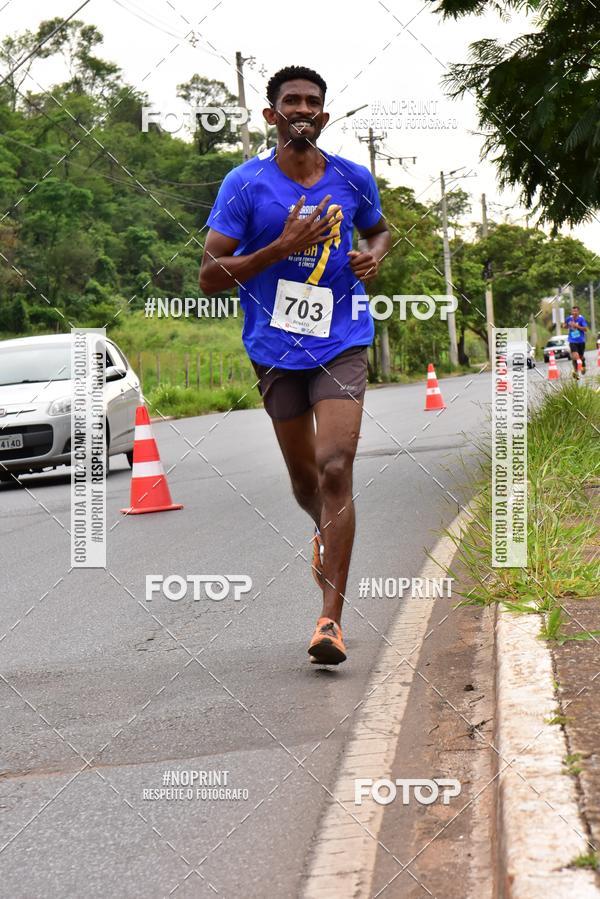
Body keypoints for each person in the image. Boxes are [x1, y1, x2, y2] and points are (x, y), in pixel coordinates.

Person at [199, 65, 390, 665]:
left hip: (342, 340)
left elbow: (380, 231)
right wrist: (280, 247)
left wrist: (371, 256)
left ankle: (329, 620)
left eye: (312, 102)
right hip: (274, 349)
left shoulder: (352, 178)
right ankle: (322, 531)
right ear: (271, 115)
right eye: (291, 102)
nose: (302, 110)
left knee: (336, 467)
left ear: (324, 117)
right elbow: (208, 278)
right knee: (307, 483)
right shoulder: (245, 185)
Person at [563, 305, 588, 378]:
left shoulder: (581, 319)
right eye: (573, 311)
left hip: (581, 340)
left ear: (578, 311)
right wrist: (566, 325)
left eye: (575, 311)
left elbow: (585, 329)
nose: (574, 312)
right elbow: (564, 325)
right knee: (575, 356)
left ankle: (583, 364)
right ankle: (576, 371)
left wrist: (577, 326)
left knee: (580, 356)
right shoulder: (569, 318)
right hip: (572, 340)